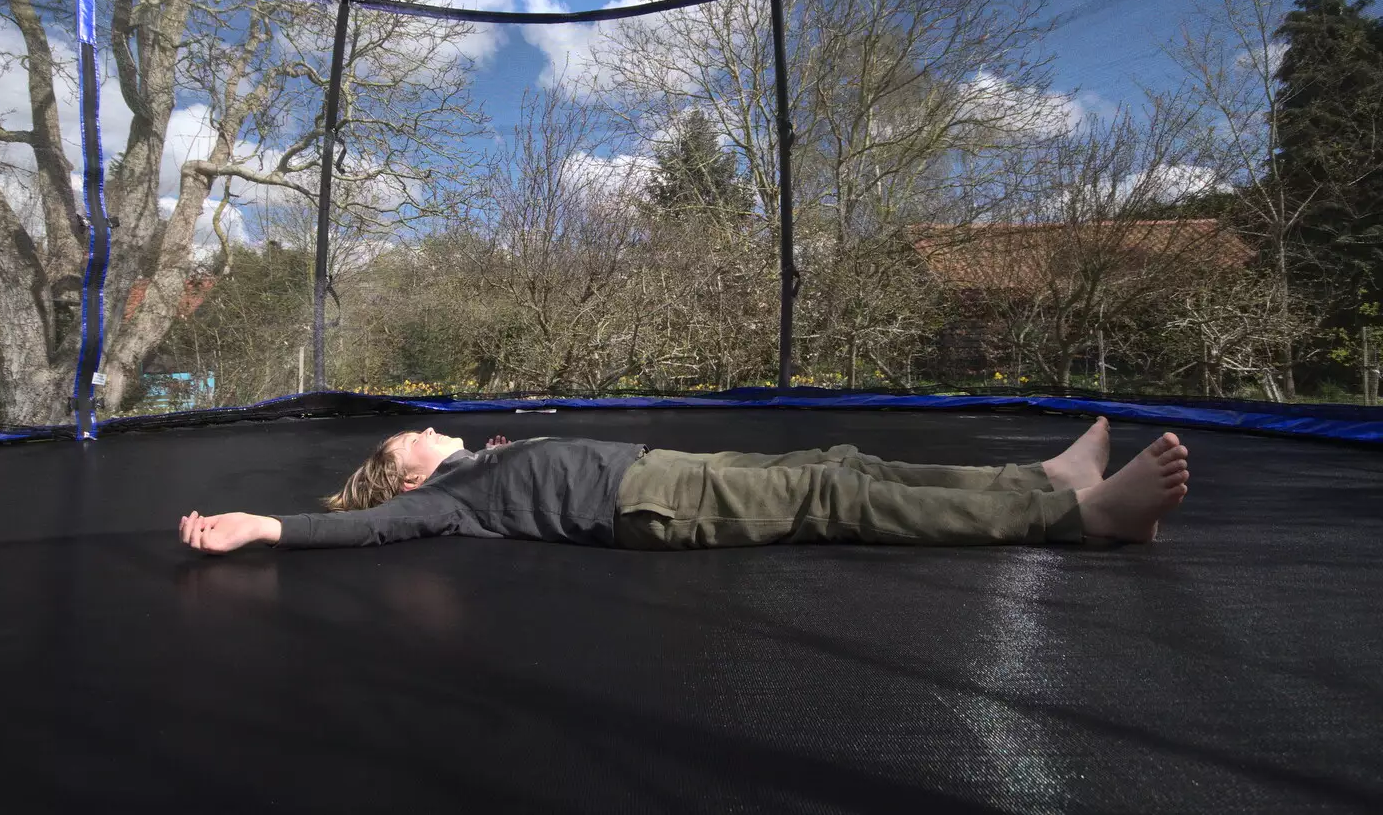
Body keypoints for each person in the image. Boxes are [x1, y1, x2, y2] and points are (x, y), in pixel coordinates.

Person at [178, 416, 1190, 555]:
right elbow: (361, 534)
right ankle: (1075, 516)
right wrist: (266, 524)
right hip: (658, 505)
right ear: (404, 468)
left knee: (844, 463)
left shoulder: (478, 460)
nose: (433, 426)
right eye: (419, 432)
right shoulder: (438, 500)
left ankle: (1034, 475)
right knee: (835, 501)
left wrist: (493, 444)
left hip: (667, 469)